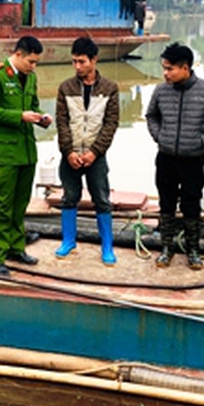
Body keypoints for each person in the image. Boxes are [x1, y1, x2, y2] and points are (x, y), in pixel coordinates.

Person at [145, 42, 204, 270]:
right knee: (166, 203)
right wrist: (160, 137)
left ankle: (193, 250)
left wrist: (201, 140)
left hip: (193, 160)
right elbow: (151, 116)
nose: (165, 73)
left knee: (192, 204)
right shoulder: (161, 90)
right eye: (164, 68)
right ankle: (166, 249)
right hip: (166, 158)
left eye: (170, 68)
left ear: (185, 68)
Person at [0, 36, 52, 276]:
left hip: (26, 151)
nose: (33, 67)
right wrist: (20, 116)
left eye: (36, 63)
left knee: (20, 204)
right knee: (2, 205)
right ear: (18, 54)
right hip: (4, 152)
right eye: (31, 61)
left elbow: (33, 104)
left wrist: (41, 116)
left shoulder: (30, 77)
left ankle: (15, 247)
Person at [54, 37, 120, 265]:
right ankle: (68, 241)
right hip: (70, 154)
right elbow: (61, 122)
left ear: (94, 60)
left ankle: (107, 246)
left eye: (82, 62)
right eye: (74, 62)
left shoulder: (110, 88)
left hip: (96, 155)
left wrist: (95, 152)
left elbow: (111, 124)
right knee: (69, 197)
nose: (77, 67)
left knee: (101, 199)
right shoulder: (65, 88)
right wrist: (68, 151)